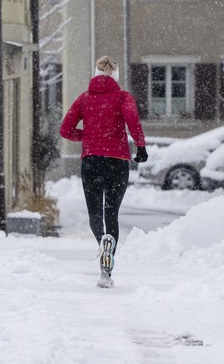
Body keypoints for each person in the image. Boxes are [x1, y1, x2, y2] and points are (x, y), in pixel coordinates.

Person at [59, 56, 148, 288]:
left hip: (91, 161)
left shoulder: (84, 98)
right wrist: (140, 146)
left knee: (95, 212)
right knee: (111, 213)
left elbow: (65, 129)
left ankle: (102, 242)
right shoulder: (123, 97)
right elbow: (132, 119)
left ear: (95, 74)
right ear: (116, 76)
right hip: (117, 161)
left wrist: (88, 136)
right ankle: (106, 271)